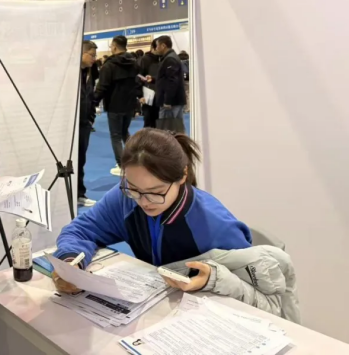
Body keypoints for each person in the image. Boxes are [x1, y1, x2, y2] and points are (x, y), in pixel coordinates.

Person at [51, 129, 299, 321]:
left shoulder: (214, 226)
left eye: (156, 192)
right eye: (133, 189)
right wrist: (71, 261)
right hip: (157, 312)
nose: (143, 202)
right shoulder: (125, 198)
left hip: (211, 322)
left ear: (182, 176)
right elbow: (81, 230)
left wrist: (214, 279)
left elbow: (269, 307)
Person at [94, 36, 139, 176]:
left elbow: (102, 87)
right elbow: (137, 83)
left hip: (114, 105)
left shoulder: (109, 65)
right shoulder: (134, 63)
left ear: (114, 46)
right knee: (125, 132)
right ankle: (134, 161)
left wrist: (93, 103)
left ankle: (122, 166)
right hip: (129, 104)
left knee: (116, 136)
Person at [146, 36, 185, 132]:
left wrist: (167, 101)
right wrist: (154, 79)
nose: (156, 48)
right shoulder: (170, 57)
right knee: (177, 129)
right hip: (174, 101)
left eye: (157, 46)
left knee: (167, 131)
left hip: (170, 102)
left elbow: (172, 81)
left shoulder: (170, 59)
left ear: (163, 46)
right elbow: (167, 78)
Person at [78, 41, 98, 207]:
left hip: (84, 124)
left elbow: (90, 97)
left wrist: (91, 118)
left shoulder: (88, 74)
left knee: (81, 160)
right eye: (91, 55)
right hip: (71, 128)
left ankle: (79, 193)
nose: (94, 58)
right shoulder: (72, 75)